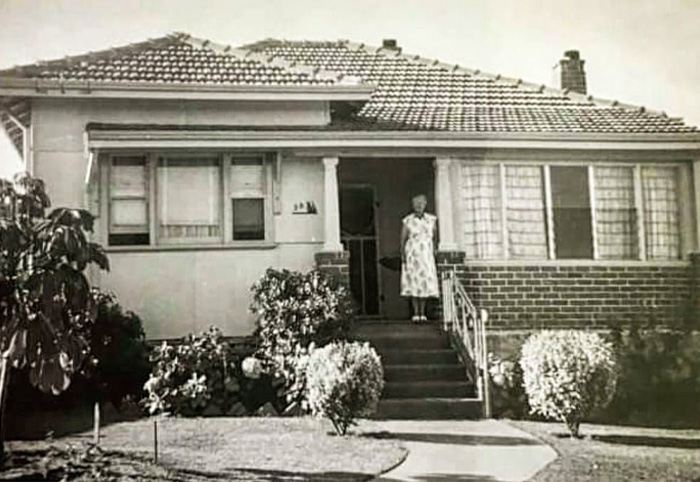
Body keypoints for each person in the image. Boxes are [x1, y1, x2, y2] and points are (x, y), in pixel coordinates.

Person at [400, 194, 439, 323]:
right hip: (413, 255)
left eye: (421, 204)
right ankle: (416, 313)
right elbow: (403, 239)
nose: (418, 206)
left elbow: (434, 238)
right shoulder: (408, 220)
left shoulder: (431, 220)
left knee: (424, 283)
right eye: (416, 204)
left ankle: (423, 313)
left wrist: (434, 251)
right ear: (413, 205)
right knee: (414, 283)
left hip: (426, 255)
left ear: (425, 204)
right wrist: (403, 255)